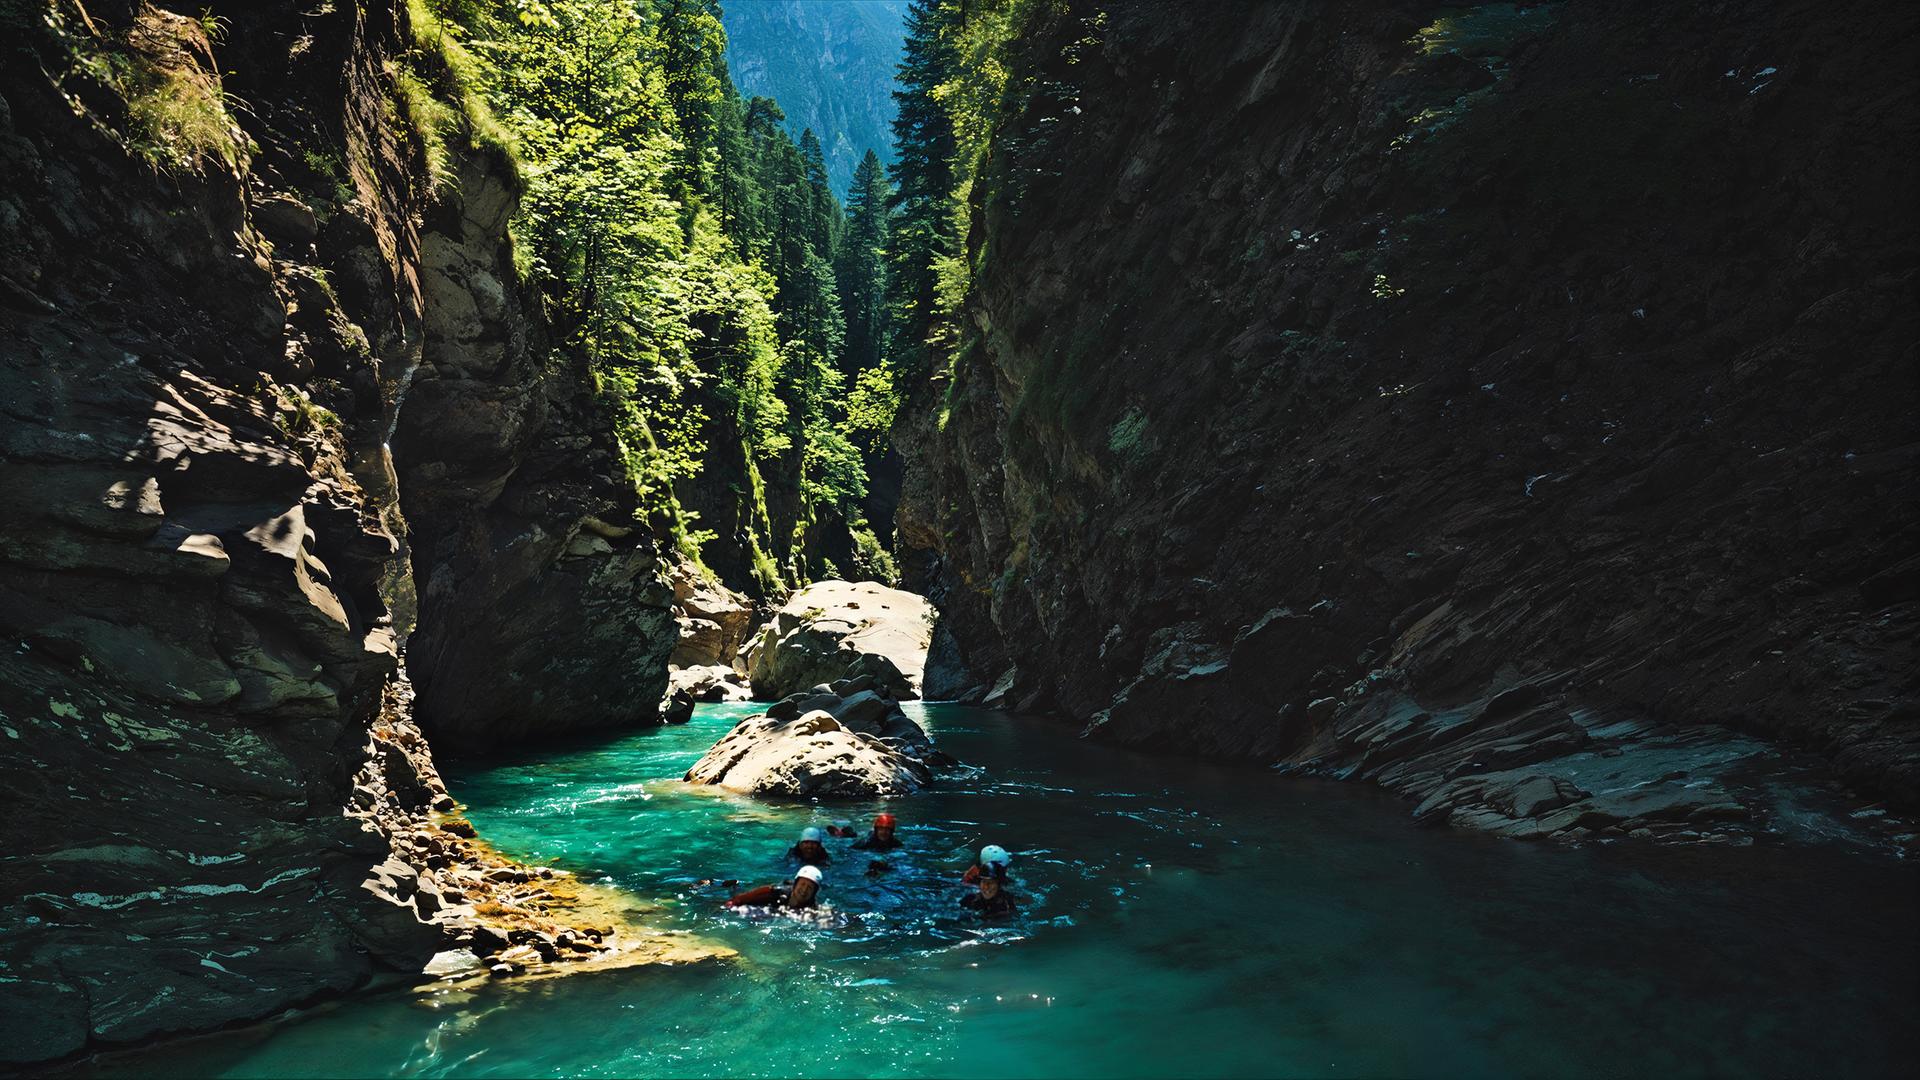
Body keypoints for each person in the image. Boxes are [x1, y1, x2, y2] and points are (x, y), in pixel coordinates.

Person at [726, 865, 824, 911]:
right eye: (802, 884)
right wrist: (732, 903)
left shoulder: (814, 909)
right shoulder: (776, 892)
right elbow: (742, 898)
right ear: (795, 885)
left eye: (809, 888)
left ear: (814, 893)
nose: (804, 890)